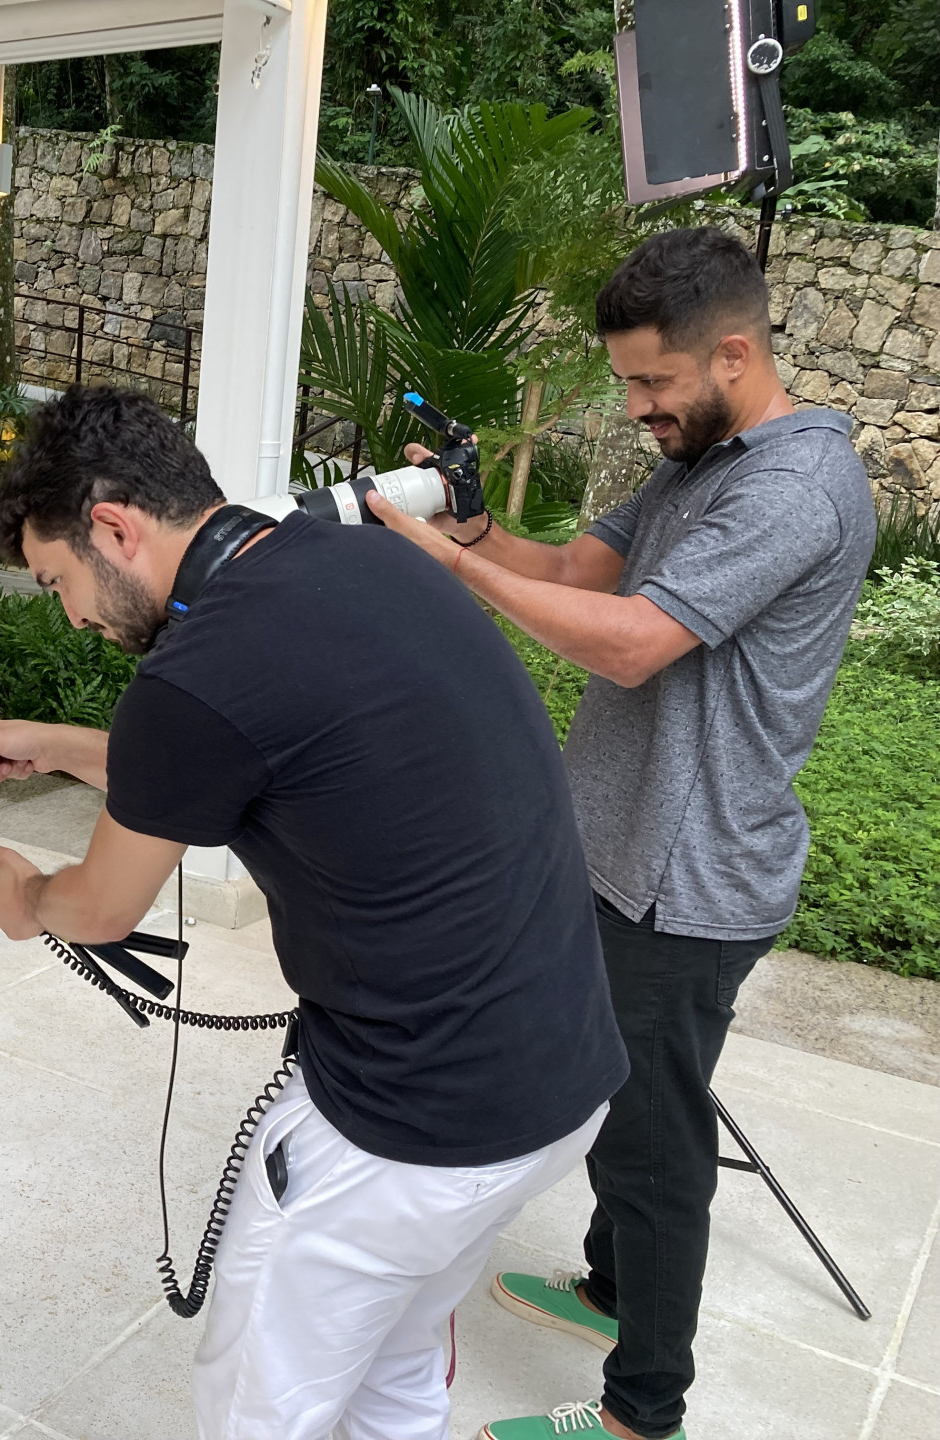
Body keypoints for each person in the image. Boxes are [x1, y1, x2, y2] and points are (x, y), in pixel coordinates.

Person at [0, 386, 628, 1440]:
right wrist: (64, 745)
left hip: (407, 1128)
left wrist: (21, 893)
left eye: (58, 581)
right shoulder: (365, 559)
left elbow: (98, 906)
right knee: (397, 1375)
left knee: (261, 1412)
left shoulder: (195, 676)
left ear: (115, 529)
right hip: (559, 1085)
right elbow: (276, 754)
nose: (73, 616)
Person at [364, 227, 875, 1440]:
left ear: (734, 353)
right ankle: (607, 1289)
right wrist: (471, 526)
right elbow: (574, 572)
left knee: (653, 1148)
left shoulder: (793, 486)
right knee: (607, 1095)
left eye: (654, 381)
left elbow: (633, 643)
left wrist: (438, 563)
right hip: (616, 851)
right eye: (628, 382)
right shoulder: (695, 461)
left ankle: (646, 1411)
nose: (637, 406)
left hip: (688, 880)